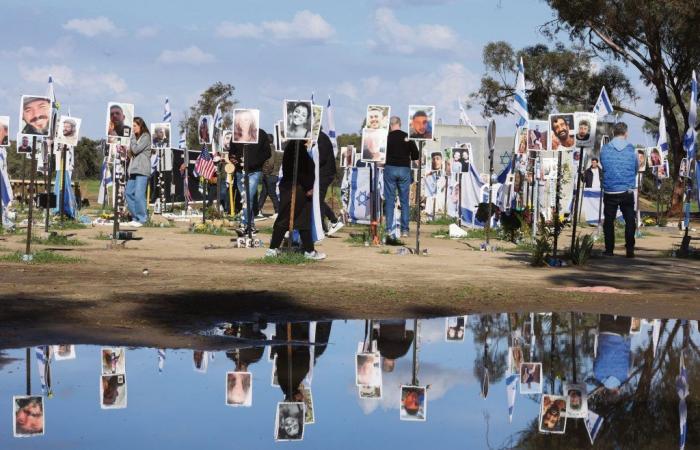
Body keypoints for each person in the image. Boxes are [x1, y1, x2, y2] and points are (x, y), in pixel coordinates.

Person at [266, 140, 326, 260]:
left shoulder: (298, 147)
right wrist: (308, 186)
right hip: (296, 189)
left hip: (298, 189)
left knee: (302, 220)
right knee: (285, 219)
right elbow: (300, 171)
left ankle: (309, 250)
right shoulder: (296, 148)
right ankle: (272, 249)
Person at [599, 122, 637, 257]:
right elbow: (635, 168)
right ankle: (630, 249)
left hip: (610, 190)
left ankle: (609, 250)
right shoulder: (631, 149)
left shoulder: (605, 149)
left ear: (613, 133)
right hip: (626, 190)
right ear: (626, 133)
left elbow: (603, 165)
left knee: (609, 221)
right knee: (630, 220)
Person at [230, 127, 271, 235]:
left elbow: (267, 153)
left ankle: (243, 225)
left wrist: (254, 163)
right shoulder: (237, 132)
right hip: (240, 171)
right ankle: (251, 225)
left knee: (247, 197)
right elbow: (231, 150)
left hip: (254, 171)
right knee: (246, 199)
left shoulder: (261, 134)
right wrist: (232, 157)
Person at [384, 116, 419, 240]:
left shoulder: (386, 137)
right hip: (404, 169)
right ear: (400, 124)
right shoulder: (407, 137)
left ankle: (388, 229)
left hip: (390, 168)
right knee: (404, 201)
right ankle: (404, 230)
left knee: (389, 199)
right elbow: (416, 155)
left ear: (390, 125)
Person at [125, 117, 151, 226]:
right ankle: (136, 217)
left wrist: (131, 137)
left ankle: (142, 218)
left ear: (141, 125)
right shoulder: (135, 138)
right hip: (134, 170)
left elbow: (136, 149)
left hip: (142, 169)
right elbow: (132, 153)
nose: (133, 128)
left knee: (139, 195)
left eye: (134, 126)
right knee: (128, 193)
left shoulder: (146, 137)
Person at [317, 129, 343, 235]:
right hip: (323, 173)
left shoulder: (321, 138)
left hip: (325, 173)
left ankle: (331, 222)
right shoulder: (320, 137)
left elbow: (321, 158)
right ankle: (329, 222)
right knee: (317, 199)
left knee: (317, 200)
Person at [256, 145, 281, 219]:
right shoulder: (276, 151)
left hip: (270, 175)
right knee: (263, 193)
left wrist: (266, 173)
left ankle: (277, 211)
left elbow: (270, 163)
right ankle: (259, 210)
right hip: (271, 175)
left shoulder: (270, 150)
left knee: (272, 194)